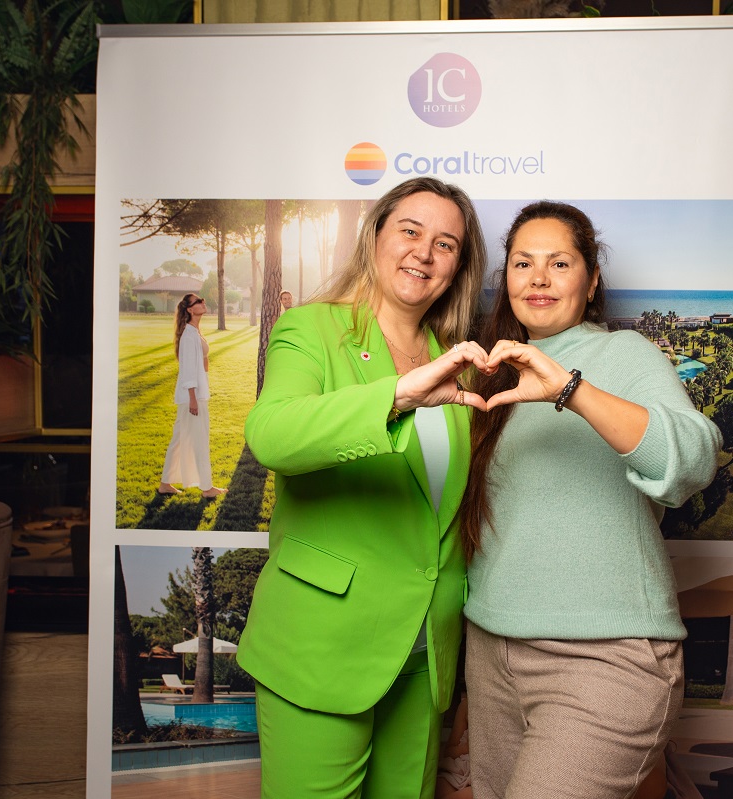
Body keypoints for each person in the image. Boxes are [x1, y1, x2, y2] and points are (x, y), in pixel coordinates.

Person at [236, 176, 492, 799]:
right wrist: (397, 395)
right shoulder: (312, 329)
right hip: (324, 643)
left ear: (458, 267)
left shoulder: (456, 356)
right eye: (410, 231)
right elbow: (272, 435)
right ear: (374, 235)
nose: (424, 252)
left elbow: (445, 511)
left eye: (446, 244)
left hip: (424, 652)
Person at [459, 201, 724, 799]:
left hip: (603, 660)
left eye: (560, 262)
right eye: (523, 263)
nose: (539, 277)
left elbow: (693, 461)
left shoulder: (624, 355)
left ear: (592, 279)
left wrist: (570, 389)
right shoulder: (492, 369)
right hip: (493, 654)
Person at [157, 293, 225, 498]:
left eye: (202, 300)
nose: (203, 303)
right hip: (192, 397)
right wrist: (193, 399)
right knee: (199, 440)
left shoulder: (194, 332)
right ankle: (207, 488)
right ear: (189, 309)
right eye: (198, 301)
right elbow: (187, 370)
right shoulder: (188, 335)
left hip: (195, 394)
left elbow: (201, 361)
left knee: (178, 439)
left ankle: (165, 484)